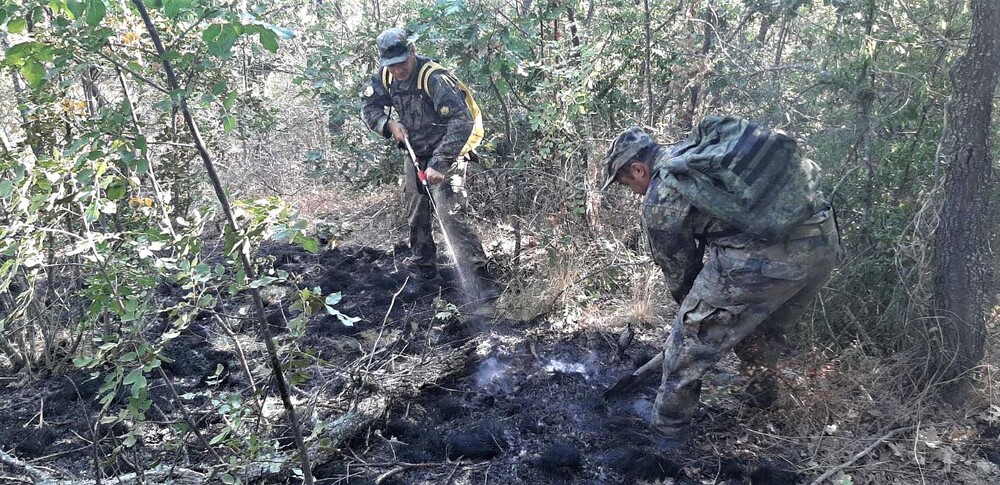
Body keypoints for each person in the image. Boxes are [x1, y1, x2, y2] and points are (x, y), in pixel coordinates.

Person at [600, 117, 839, 448]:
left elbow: (679, 269)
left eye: (627, 183)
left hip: (769, 261)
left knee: (688, 343)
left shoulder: (663, 194)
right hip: (822, 241)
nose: (631, 191)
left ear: (638, 169)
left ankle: (667, 435)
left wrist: (692, 320)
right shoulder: (695, 157)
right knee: (762, 326)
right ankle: (762, 397)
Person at [361, 27, 498, 299]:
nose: (398, 70)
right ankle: (425, 274)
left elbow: (462, 122)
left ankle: (480, 279)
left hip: (448, 154)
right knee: (416, 214)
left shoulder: (435, 78)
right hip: (415, 153)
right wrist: (388, 124)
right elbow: (368, 106)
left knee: (450, 215)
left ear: (412, 51)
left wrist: (440, 163)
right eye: (391, 65)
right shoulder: (385, 77)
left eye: (402, 62)